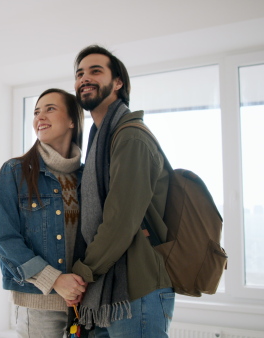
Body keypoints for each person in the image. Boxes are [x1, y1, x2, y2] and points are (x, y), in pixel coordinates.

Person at [70, 45, 175, 337]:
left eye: (95, 71)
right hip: (111, 291)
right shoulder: (99, 139)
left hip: (136, 292)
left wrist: (83, 272)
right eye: (79, 74)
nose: (84, 78)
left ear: (118, 83)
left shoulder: (130, 137)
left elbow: (120, 221)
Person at [0, 88, 87, 337]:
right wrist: (55, 280)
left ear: (71, 121)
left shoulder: (88, 177)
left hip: (84, 301)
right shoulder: (15, 171)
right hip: (39, 303)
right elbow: (6, 239)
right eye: (36, 111)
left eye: (50, 109)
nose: (40, 117)